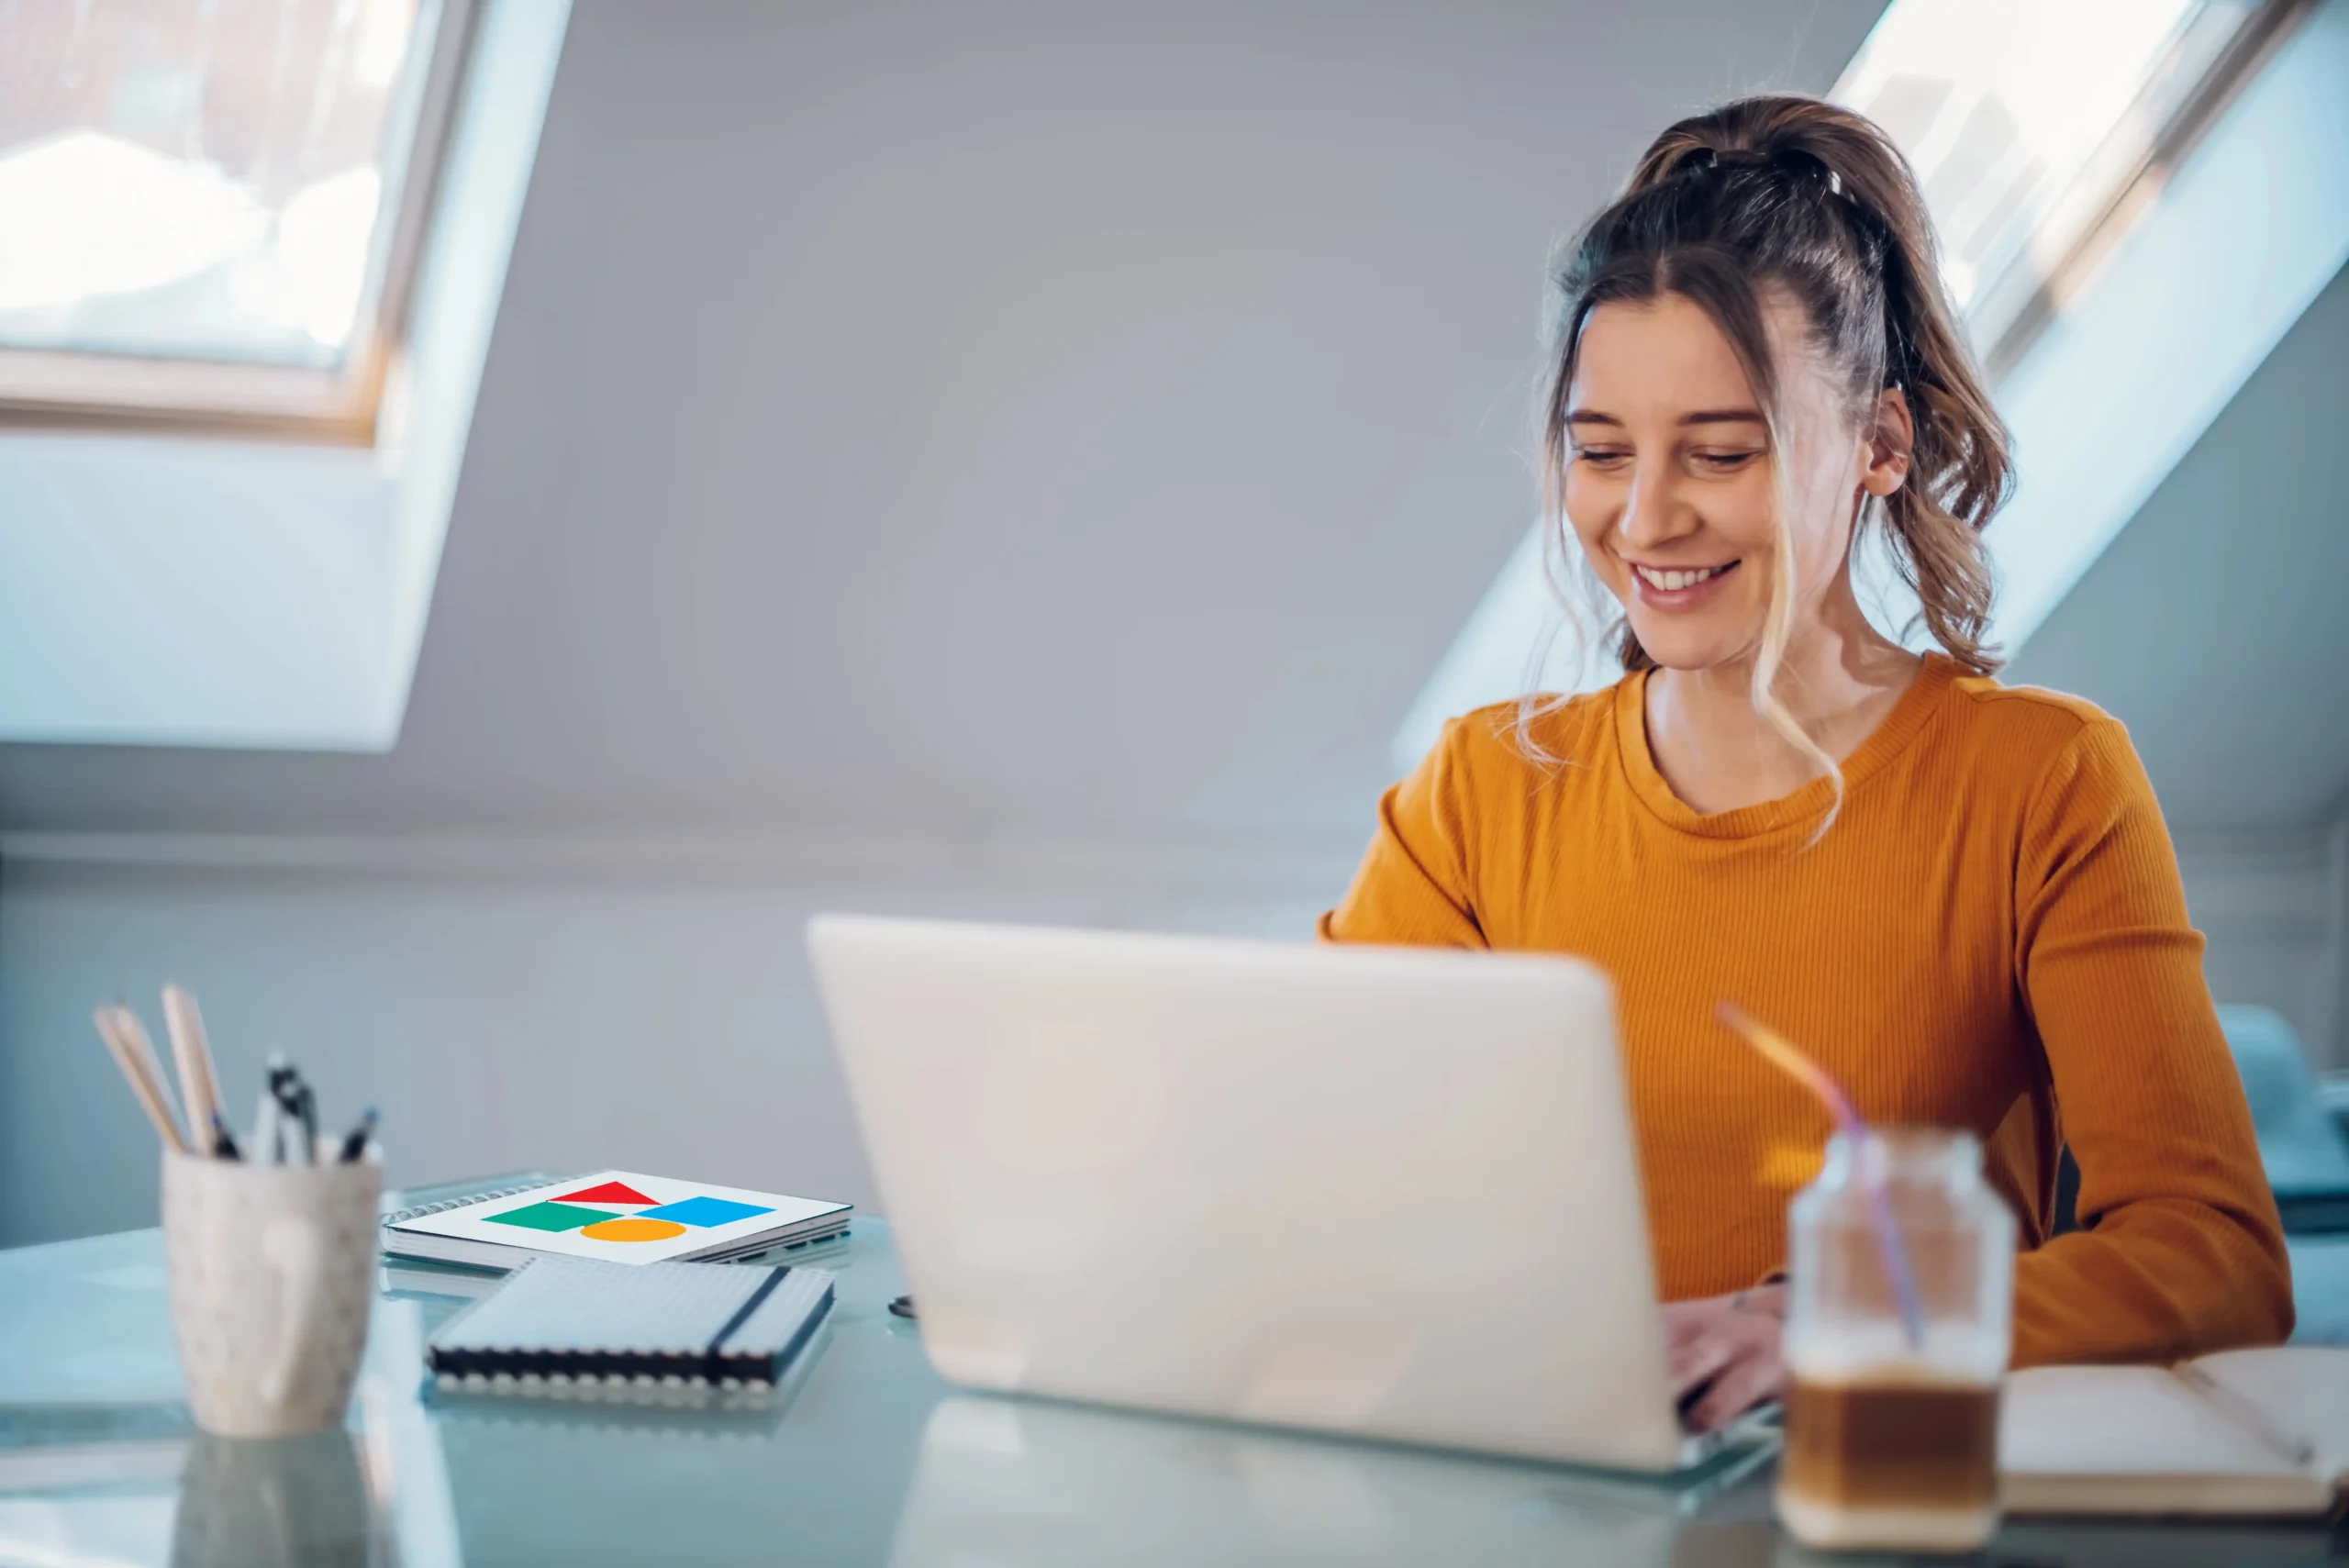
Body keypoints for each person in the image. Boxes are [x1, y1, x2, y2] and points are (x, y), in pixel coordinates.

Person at [1319, 95, 2291, 1431]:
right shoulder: (1481, 793)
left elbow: (2215, 1258)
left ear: (1881, 446)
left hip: (1880, 1488)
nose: (1646, 517)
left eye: (1721, 452)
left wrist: (1826, 1325)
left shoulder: (2045, 781)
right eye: (1600, 452)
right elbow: (1311, 1167)